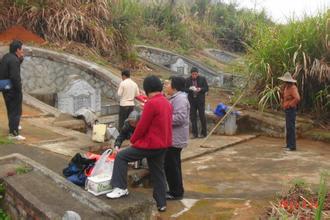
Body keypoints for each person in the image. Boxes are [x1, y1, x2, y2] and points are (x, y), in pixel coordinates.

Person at [107, 75, 172, 212]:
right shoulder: (167, 103)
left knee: (121, 156)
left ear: (147, 89)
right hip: (163, 144)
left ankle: (120, 188)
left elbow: (142, 126)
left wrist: (133, 140)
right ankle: (161, 203)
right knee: (158, 172)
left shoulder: (151, 103)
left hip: (151, 144)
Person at [164, 76, 190, 200]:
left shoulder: (180, 99)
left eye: (168, 84)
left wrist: (163, 118)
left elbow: (180, 118)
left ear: (174, 87)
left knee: (172, 166)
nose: (166, 86)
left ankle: (176, 192)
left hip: (175, 139)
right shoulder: (176, 97)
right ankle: (177, 190)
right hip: (174, 137)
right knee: (173, 165)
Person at [0, 40, 25, 140]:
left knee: (11, 109)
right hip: (13, 89)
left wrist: (20, 58)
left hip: (5, 88)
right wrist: (19, 89)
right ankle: (14, 133)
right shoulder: (14, 60)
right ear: (17, 50)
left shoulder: (7, 57)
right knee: (16, 110)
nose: (23, 51)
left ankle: (14, 126)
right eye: (22, 49)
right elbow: (15, 77)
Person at [278, 72, 301, 151]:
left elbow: (297, 98)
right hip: (287, 110)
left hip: (291, 110)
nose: (285, 82)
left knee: (291, 127)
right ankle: (288, 145)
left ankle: (292, 146)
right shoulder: (286, 87)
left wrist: (290, 105)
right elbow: (284, 97)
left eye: (286, 81)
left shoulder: (293, 88)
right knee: (288, 127)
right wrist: (281, 93)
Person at [185, 67, 209, 138]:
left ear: (198, 73)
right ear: (191, 74)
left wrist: (200, 89)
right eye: (193, 74)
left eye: (196, 74)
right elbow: (184, 89)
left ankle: (204, 133)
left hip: (200, 101)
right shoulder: (187, 80)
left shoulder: (202, 79)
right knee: (193, 117)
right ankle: (194, 133)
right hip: (192, 101)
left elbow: (206, 88)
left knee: (202, 116)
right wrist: (190, 89)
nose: (194, 76)